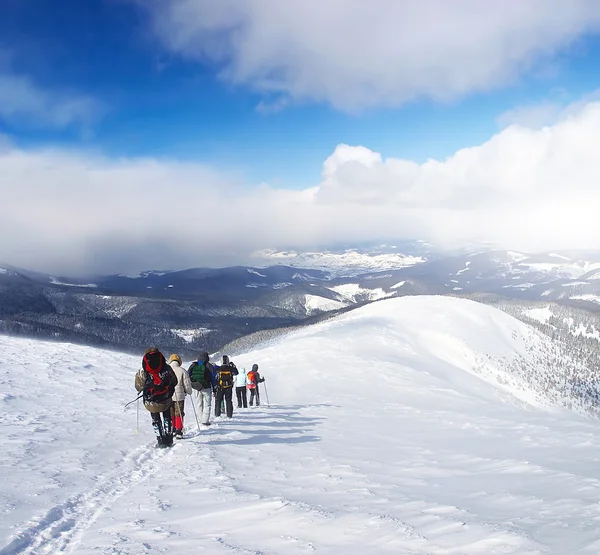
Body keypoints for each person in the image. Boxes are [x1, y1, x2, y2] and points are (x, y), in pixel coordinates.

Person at [135, 347, 177, 447]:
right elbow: (174, 381)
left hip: (151, 400)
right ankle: (169, 439)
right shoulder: (166, 368)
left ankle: (160, 440)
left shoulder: (143, 370)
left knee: (155, 419)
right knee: (167, 417)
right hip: (166, 398)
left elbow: (138, 386)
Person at [168, 353, 193, 438]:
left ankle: (172, 429)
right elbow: (187, 385)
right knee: (179, 413)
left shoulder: (167, 370)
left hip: (168, 396)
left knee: (170, 413)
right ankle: (179, 431)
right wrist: (189, 392)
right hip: (180, 396)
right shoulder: (182, 371)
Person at [187, 351, 215, 426]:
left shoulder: (193, 365)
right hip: (206, 387)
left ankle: (199, 420)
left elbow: (188, 375)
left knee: (199, 404)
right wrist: (214, 388)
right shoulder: (209, 366)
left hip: (196, 387)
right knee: (207, 404)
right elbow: (213, 378)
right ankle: (205, 421)